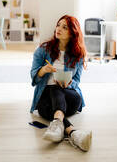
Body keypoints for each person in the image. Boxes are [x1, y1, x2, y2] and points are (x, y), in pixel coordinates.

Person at [30, 15, 92, 151]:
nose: (58, 29)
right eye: (58, 25)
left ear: (72, 32)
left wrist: (69, 84)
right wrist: (43, 70)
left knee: (57, 89)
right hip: (45, 98)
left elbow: (77, 81)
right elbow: (33, 79)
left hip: (70, 98)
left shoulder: (78, 54)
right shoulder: (43, 50)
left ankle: (58, 125)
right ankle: (73, 133)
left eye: (64, 27)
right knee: (52, 91)